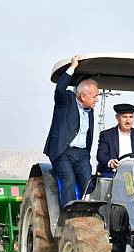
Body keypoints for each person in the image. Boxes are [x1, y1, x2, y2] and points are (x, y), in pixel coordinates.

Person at [43, 54, 99, 207]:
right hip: (64, 151)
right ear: (82, 96)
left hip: (81, 154)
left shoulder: (90, 109)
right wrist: (72, 67)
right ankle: (68, 216)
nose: (97, 99)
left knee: (88, 181)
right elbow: (60, 89)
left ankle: (88, 211)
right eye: (95, 96)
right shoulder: (66, 100)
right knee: (68, 180)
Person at [96, 103, 134, 177]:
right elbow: (101, 155)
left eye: (131, 117)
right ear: (117, 117)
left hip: (133, 173)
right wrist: (111, 162)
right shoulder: (106, 135)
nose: (128, 121)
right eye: (124, 117)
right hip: (112, 173)